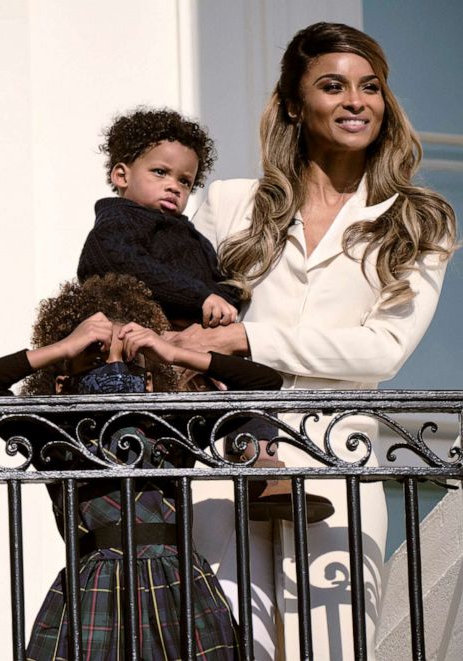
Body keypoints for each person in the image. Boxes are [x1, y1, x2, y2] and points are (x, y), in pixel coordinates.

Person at [177, 22, 456, 660]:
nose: (356, 101)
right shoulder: (230, 204)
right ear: (297, 106)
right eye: (333, 86)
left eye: (371, 87)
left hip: (339, 461)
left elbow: (381, 351)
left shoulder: (417, 218)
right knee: (223, 644)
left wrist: (248, 338)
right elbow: (181, 317)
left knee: (332, 648)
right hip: (227, 459)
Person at [0, 273, 283, 660]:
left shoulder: (172, 428)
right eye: (94, 354)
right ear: (62, 384)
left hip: (181, 589)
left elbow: (264, 383)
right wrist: (62, 346)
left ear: (149, 381)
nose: (111, 367)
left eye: (127, 356)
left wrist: (172, 351)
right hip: (94, 593)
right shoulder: (56, 436)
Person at [77, 108, 240, 329]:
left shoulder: (192, 236)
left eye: (185, 181)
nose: (174, 186)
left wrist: (226, 298)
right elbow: (121, 262)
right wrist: (199, 297)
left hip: (188, 344)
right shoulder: (120, 219)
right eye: (160, 172)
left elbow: (216, 280)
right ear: (122, 176)